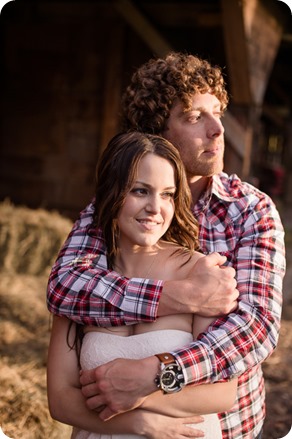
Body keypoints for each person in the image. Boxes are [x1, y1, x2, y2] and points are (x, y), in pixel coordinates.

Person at [47, 52, 286, 439]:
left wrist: (158, 373)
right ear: (157, 131)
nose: (217, 130)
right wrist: (176, 297)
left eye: (217, 113)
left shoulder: (250, 210)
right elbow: (64, 287)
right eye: (195, 117)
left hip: (221, 427)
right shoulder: (112, 211)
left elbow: (253, 328)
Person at [47, 132, 238, 439]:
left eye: (167, 195)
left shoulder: (199, 271)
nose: (155, 207)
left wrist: (142, 394)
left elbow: (224, 392)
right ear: (112, 193)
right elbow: (60, 399)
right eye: (140, 191)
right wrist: (139, 423)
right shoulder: (81, 282)